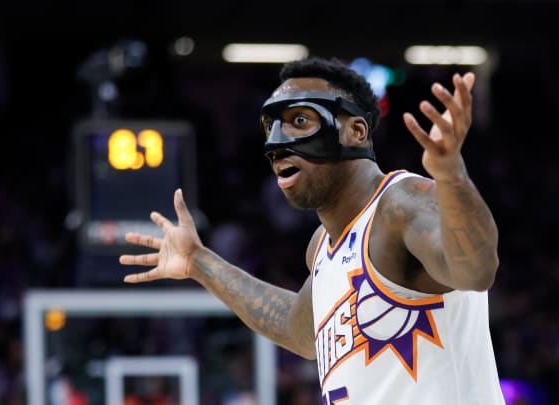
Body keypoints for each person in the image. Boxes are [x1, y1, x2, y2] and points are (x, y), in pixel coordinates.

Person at [119, 56, 505, 404]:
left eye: (299, 121)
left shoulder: (402, 204)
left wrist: (451, 176)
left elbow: (476, 271)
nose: (277, 143)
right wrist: (198, 261)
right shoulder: (321, 247)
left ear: (355, 131)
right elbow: (298, 329)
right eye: (272, 127)